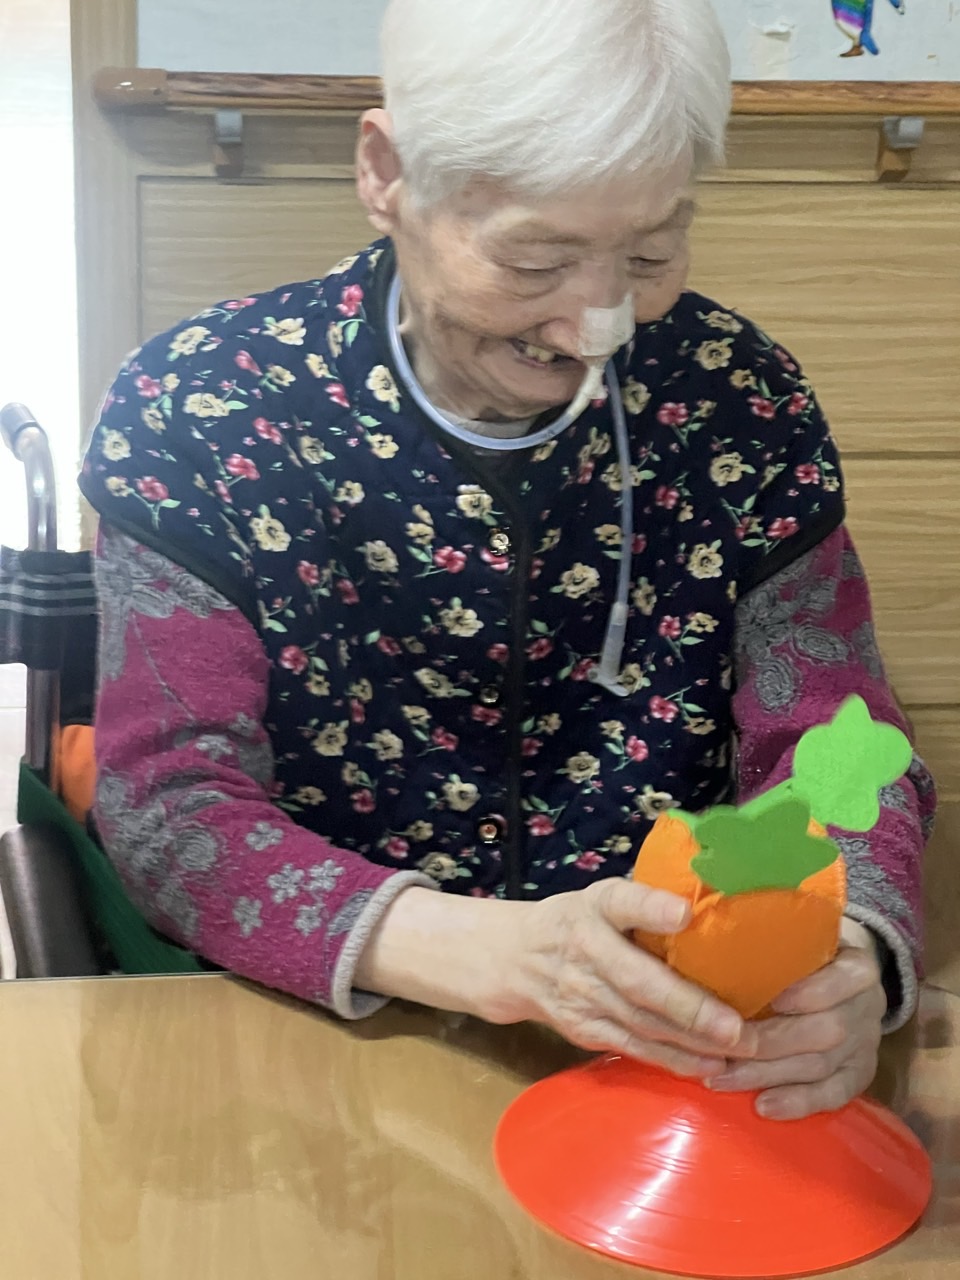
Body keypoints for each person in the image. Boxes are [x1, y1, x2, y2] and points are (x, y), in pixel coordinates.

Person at [80, 0, 934, 1122]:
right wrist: (479, 950)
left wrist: (850, 943)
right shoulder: (203, 408)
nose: (600, 322)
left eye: (650, 253)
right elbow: (169, 806)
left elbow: (839, 743)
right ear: (387, 172)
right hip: (316, 1038)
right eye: (536, 260)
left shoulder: (738, 396)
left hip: (678, 1045)